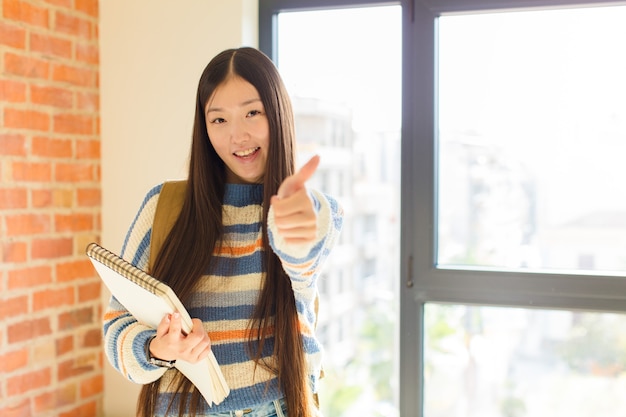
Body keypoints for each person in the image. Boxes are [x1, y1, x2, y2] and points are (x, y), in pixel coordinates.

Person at [102, 47, 343, 417]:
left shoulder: (303, 212)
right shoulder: (164, 207)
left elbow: (301, 255)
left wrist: (297, 226)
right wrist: (157, 349)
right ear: (204, 127)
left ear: (278, 113)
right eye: (219, 120)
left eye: (252, 112)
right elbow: (116, 327)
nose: (238, 136)